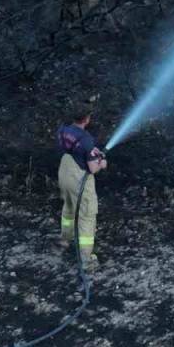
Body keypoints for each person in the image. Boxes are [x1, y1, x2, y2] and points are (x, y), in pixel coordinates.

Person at [55, 103, 108, 269]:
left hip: (65, 170)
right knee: (87, 214)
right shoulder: (86, 139)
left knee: (69, 207)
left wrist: (91, 151)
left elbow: (75, 148)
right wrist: (102, 163)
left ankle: (65, 240)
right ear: (87, 119)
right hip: (80, 177)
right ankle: (86, 259)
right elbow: (93, 168)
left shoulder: (64, 129)